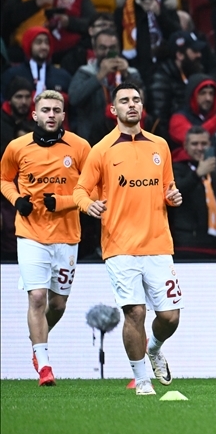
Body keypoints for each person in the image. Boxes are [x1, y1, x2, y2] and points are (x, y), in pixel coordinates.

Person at [72, 80, 183, 396]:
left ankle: (154, 348)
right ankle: (142, 380)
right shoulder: (102, 150)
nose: (131, 104)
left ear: (142, 106)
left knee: (170, 317)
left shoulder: (160, 146)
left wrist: (173, 197)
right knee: (135, 313)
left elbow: (168, 188)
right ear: (113, 109)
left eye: (136, 99)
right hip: (120, 246)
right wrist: (88, 205)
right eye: (124, 100)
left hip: (158, 243)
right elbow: (80, 190)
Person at [0, 90, 90, 386]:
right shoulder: (17, 147)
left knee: (58, 304)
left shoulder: (80, 147)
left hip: (67, 236)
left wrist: (63, 202)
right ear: (35, 114)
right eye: (46, 110)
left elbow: (94, 191)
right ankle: (44, 364)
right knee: (37, 297)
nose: (51, 115)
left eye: (56, 110)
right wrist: (16, 200)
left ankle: (38, 339)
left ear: (63, 115)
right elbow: (4, 179)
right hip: (30, 234)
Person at [68, 29, 144, 145]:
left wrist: (127, 75)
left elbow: (143, 101)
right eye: (103, 48)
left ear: (119, 49)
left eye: (112, 48)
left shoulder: (131, 72)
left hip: (127, 139)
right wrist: (99, 76)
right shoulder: (85, 72)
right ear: (95, 49)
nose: (108, 52)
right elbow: (74, 98)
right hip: (92, 140)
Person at [169, 126, 216, 259]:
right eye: (194, 144)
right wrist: (197, 175)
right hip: (188, 244)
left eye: (204, 144)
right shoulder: (176, 169)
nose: (199, 148)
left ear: (210, 145)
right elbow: (174, 194)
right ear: (185, 146)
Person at [115, 0, 181, 86]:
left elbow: (177, 36)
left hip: (162, 68)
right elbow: (117, 38)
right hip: (132, 67)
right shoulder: (123, 11)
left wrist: (160, 14)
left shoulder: (167, 7)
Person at [168, 73, 216, 177]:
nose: (208, 98)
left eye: (211, 93)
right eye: (203, 93)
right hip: (193, 178)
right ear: (192, 95)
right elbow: (192, 138)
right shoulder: (178, 119)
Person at [148, 30, 206, 140]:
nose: (199, 55)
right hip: (172, 141)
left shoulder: (193, 72)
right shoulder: (161, 77)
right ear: (180, 55)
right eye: (194, 51)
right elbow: (159, 120)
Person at [1, 27, 73, 98]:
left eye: (47, 43)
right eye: (38, 42)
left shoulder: (63, 76)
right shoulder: (12, 75)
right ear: (28, 45)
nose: (44, 47)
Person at [2, 79, 35, 156]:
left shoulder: (38, 119)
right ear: (9, 100)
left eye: (27, 97)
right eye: (19, 97)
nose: (24, 102)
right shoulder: (2, 121)